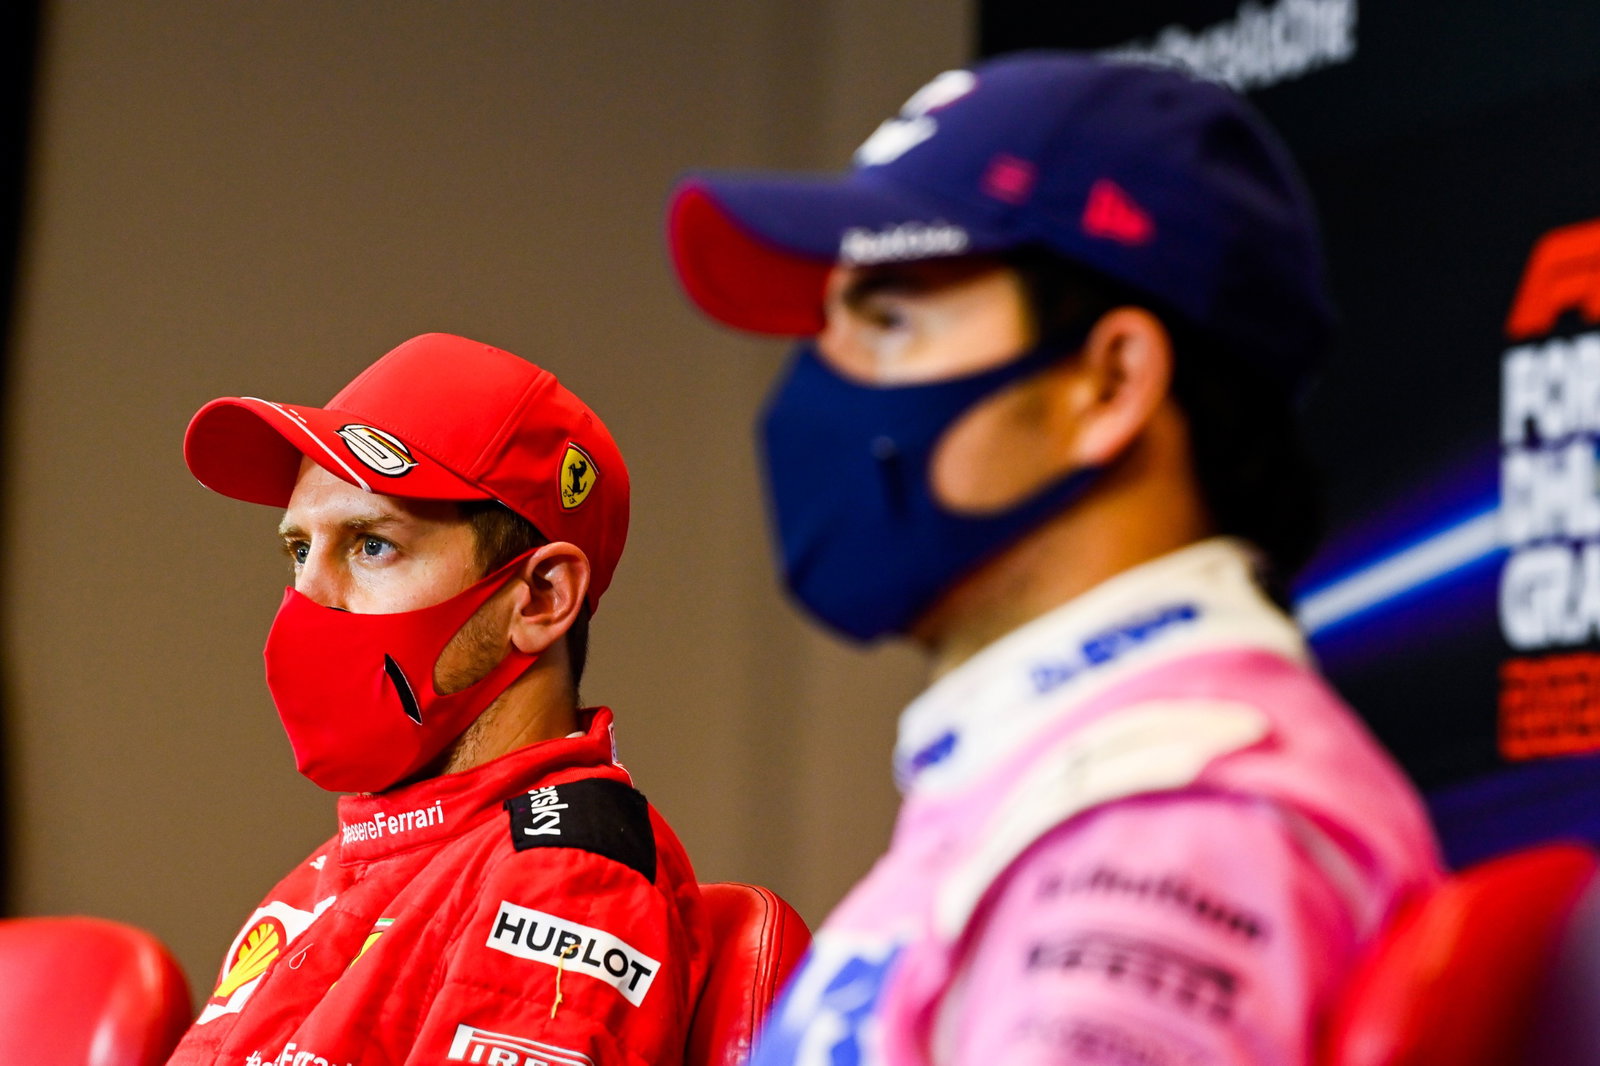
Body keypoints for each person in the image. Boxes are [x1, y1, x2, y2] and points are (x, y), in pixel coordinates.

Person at [664, 52, 1443, 1065]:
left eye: (889, 319)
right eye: (827, 323)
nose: (820, 378)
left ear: (1107, 384)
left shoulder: (1170, 821)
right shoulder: (1041, 789)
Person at [168, 332, 708, 1066]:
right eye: (299, 551)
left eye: (371, 544)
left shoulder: (563, 870)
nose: (307, 601)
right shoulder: (324, 876)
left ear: (541, 597)